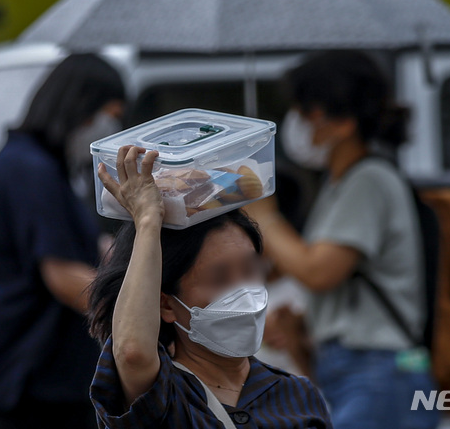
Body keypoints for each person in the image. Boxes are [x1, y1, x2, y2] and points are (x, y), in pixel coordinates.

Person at [245, 51, 440, 429]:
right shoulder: (344, 183)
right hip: (365, 369)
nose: (300, 124)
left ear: (345, 122)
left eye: (309, 113)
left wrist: (264, 215)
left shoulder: (367, 180)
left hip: (379, 370)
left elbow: (319, 270)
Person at [87, 145, 333, 429]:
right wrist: (147, 221)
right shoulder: (166, 396)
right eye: (219, 279)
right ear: (166, 304)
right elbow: (132, 353)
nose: (243, 290)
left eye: (251, 270)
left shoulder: (299, 396)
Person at [0, 54, 125, 429]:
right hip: (32, 383)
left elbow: (83, 248)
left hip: (47, 379)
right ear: (79, 105)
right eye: (108, 114)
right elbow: (63, 275)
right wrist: (137, 315)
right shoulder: (30, 168)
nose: (109, 127)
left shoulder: (46, 168)